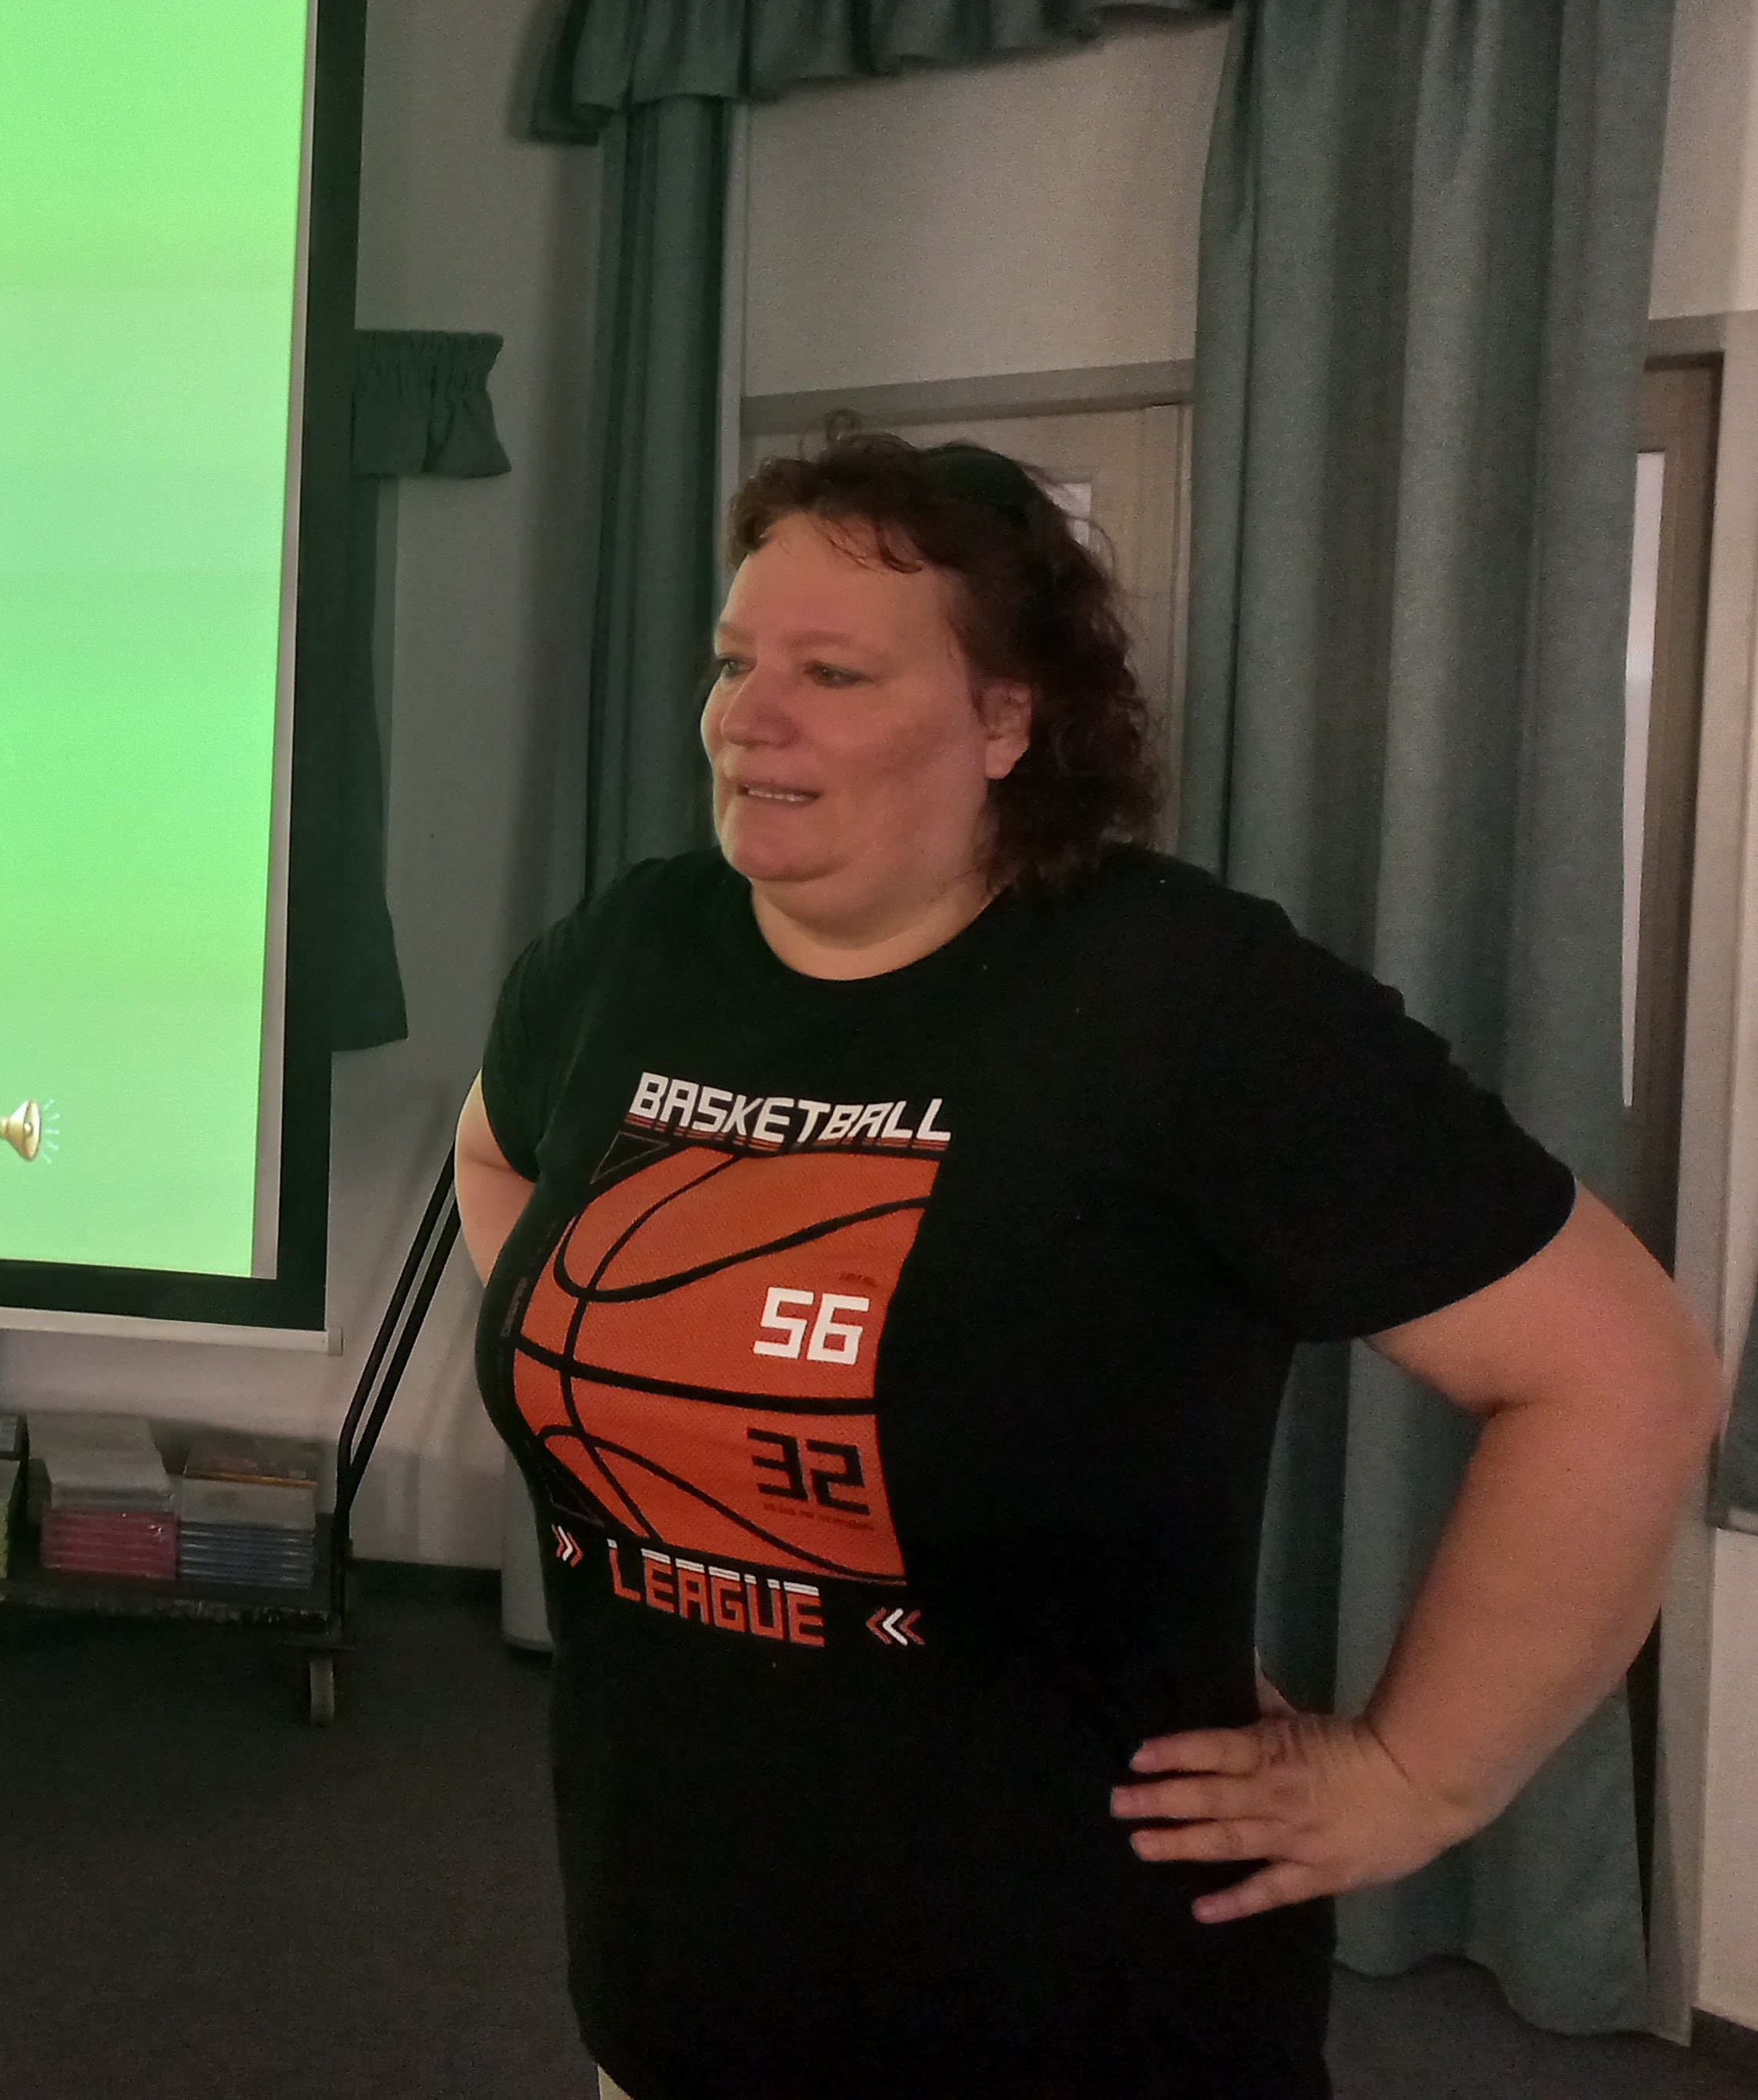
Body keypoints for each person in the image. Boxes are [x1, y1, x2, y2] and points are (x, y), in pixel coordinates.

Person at [456, 433, 1727, 2100]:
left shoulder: (1185, 1005)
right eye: (732, 660)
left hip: (1073, 2001)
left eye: (831, 673)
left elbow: (1622, 1373)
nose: (744, 719)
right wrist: (621, 1400)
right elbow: (497, 1153)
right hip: (675, 1973)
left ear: (1006, 721)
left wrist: (1419, 1776)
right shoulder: (624, 955)